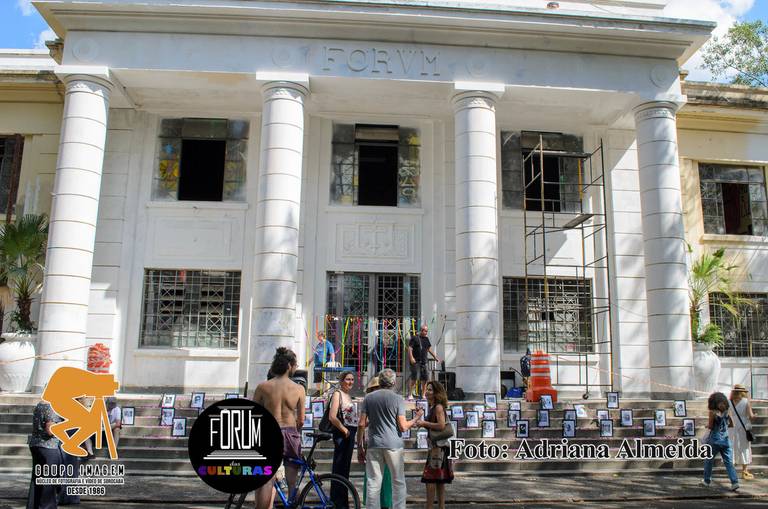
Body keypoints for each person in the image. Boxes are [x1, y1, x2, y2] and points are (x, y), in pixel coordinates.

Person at [357, 368, 423, 509]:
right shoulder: (397, 399)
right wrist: (416, 418)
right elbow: (403, 426)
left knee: (373, 482)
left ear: (379, 381)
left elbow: (361, 423)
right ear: (393, 382)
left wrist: (359, 446)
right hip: (394, 445)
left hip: (374, 443)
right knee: (398, 481)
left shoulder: (369, 398)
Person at [252, 347, 306, 509]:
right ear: (289, 365)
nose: (296, 368)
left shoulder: (263, 387)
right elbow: (301, 420)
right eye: (295, 365)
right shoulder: (299, 389)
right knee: (291, 481)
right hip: (290, 433)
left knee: (267, 480)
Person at [417, 381, 453, 509]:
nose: (427, 392)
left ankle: (430, 507)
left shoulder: (438, 407)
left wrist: (424, 423)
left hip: (438, 448)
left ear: (437, 393)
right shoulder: (433, 407)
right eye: (427, 389)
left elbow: (442, 425)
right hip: (437, 447)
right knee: (439, 481)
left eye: (430, 390)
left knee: (430, 480)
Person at [329, 370, 358, 508]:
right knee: (339, 468)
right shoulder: (337, 394)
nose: (350, 382)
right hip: (342, 434)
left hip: (350, 433)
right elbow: (332, 417)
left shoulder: (349, 396)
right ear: (341, 381)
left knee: (345, 470)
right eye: (347, 379)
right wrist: (344, 429)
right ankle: (336, 502)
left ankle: (343, 502)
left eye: (352, 379)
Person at [361, 377, 392, 509]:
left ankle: (383, 502)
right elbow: (363, 423)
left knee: (382, 475)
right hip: (378, 441)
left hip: (380, 441)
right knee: (375, 475)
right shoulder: (371, 401)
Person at [28, 400, 63, 509]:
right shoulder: (52, 406)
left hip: (36, 445)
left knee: (37, 480)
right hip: (49, 447)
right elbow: (50, 430)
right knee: (49, 482)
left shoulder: (40, 404)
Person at [703, 391, 739, 491]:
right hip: (726, 440)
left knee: (709, 460)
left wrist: (706, 426)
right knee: (728, 462)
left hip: (714, 440)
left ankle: (706, 481)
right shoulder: (728, 411)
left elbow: (710, 426)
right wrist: (725, 426)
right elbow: (732, 425)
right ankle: (734, 482)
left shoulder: (712, 412)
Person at [728, 384, 756, 480]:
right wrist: (755, 416)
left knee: (732, 446)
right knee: (744, 447)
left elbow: (727, 414)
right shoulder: (746, 402)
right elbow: (751, 416)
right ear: (743, 392)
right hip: (743, 426)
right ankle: (744, 471)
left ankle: (732, 471)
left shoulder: (729, 402)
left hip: (732, 426)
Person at [408, 325, 440, 400]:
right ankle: (410, 394)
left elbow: (429, 349)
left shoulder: (426, 339)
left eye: (426, 331)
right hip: (415, 361)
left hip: (424, 361)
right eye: (424, 331)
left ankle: (423, 395)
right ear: (421, 330)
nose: (426, 332)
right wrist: (411, 358)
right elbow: (410, 349)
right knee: (414, 377)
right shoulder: (415, 338)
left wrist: (435, 357)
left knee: (425, 378)